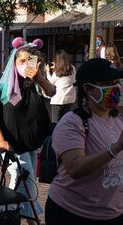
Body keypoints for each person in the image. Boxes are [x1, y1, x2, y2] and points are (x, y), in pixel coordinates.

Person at [0, 37, 56, 225]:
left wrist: (39, 78)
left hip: (33, 144)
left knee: (21, 183)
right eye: (21, 61)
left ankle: (5, 214)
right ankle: (31, 220)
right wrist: (1, 141)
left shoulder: (36, 83)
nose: (25, 65)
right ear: (14, 61)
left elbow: (52, 92)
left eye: (29, 61)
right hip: (12, 145)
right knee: (27, 183)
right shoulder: (2, 81)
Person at [45, 58, 123, 225]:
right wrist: (115, 148)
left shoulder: (118, 119)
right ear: (87, 88)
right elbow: (75, 167)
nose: (116, 87)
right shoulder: (72, 122)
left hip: (112, 213)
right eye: (109, 83)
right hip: (72, 213)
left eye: (117, 81)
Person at [45, 49, 76, 123]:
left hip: (58, 99)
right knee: (66, 122)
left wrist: (47, 72)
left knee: (56, 122)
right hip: (70, 98)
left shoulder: (57, 72)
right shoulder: (72, 68)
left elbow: (50, 82)